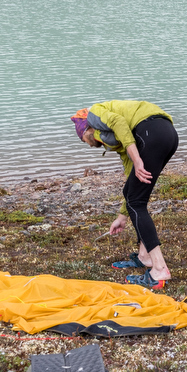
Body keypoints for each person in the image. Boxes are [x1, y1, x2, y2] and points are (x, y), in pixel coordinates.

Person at [72, 100, 178, 290]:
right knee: (136, 198)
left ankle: (160, 269)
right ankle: (144, 257)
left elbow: (119, 122)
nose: (89, 145)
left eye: (84, 140)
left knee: (137, 202)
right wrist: (122, 217)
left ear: (86, 130)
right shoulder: (121, 142)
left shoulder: (95, 113)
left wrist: (137, 159)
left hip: (151, 132)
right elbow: (131, 185)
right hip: (167, 134)